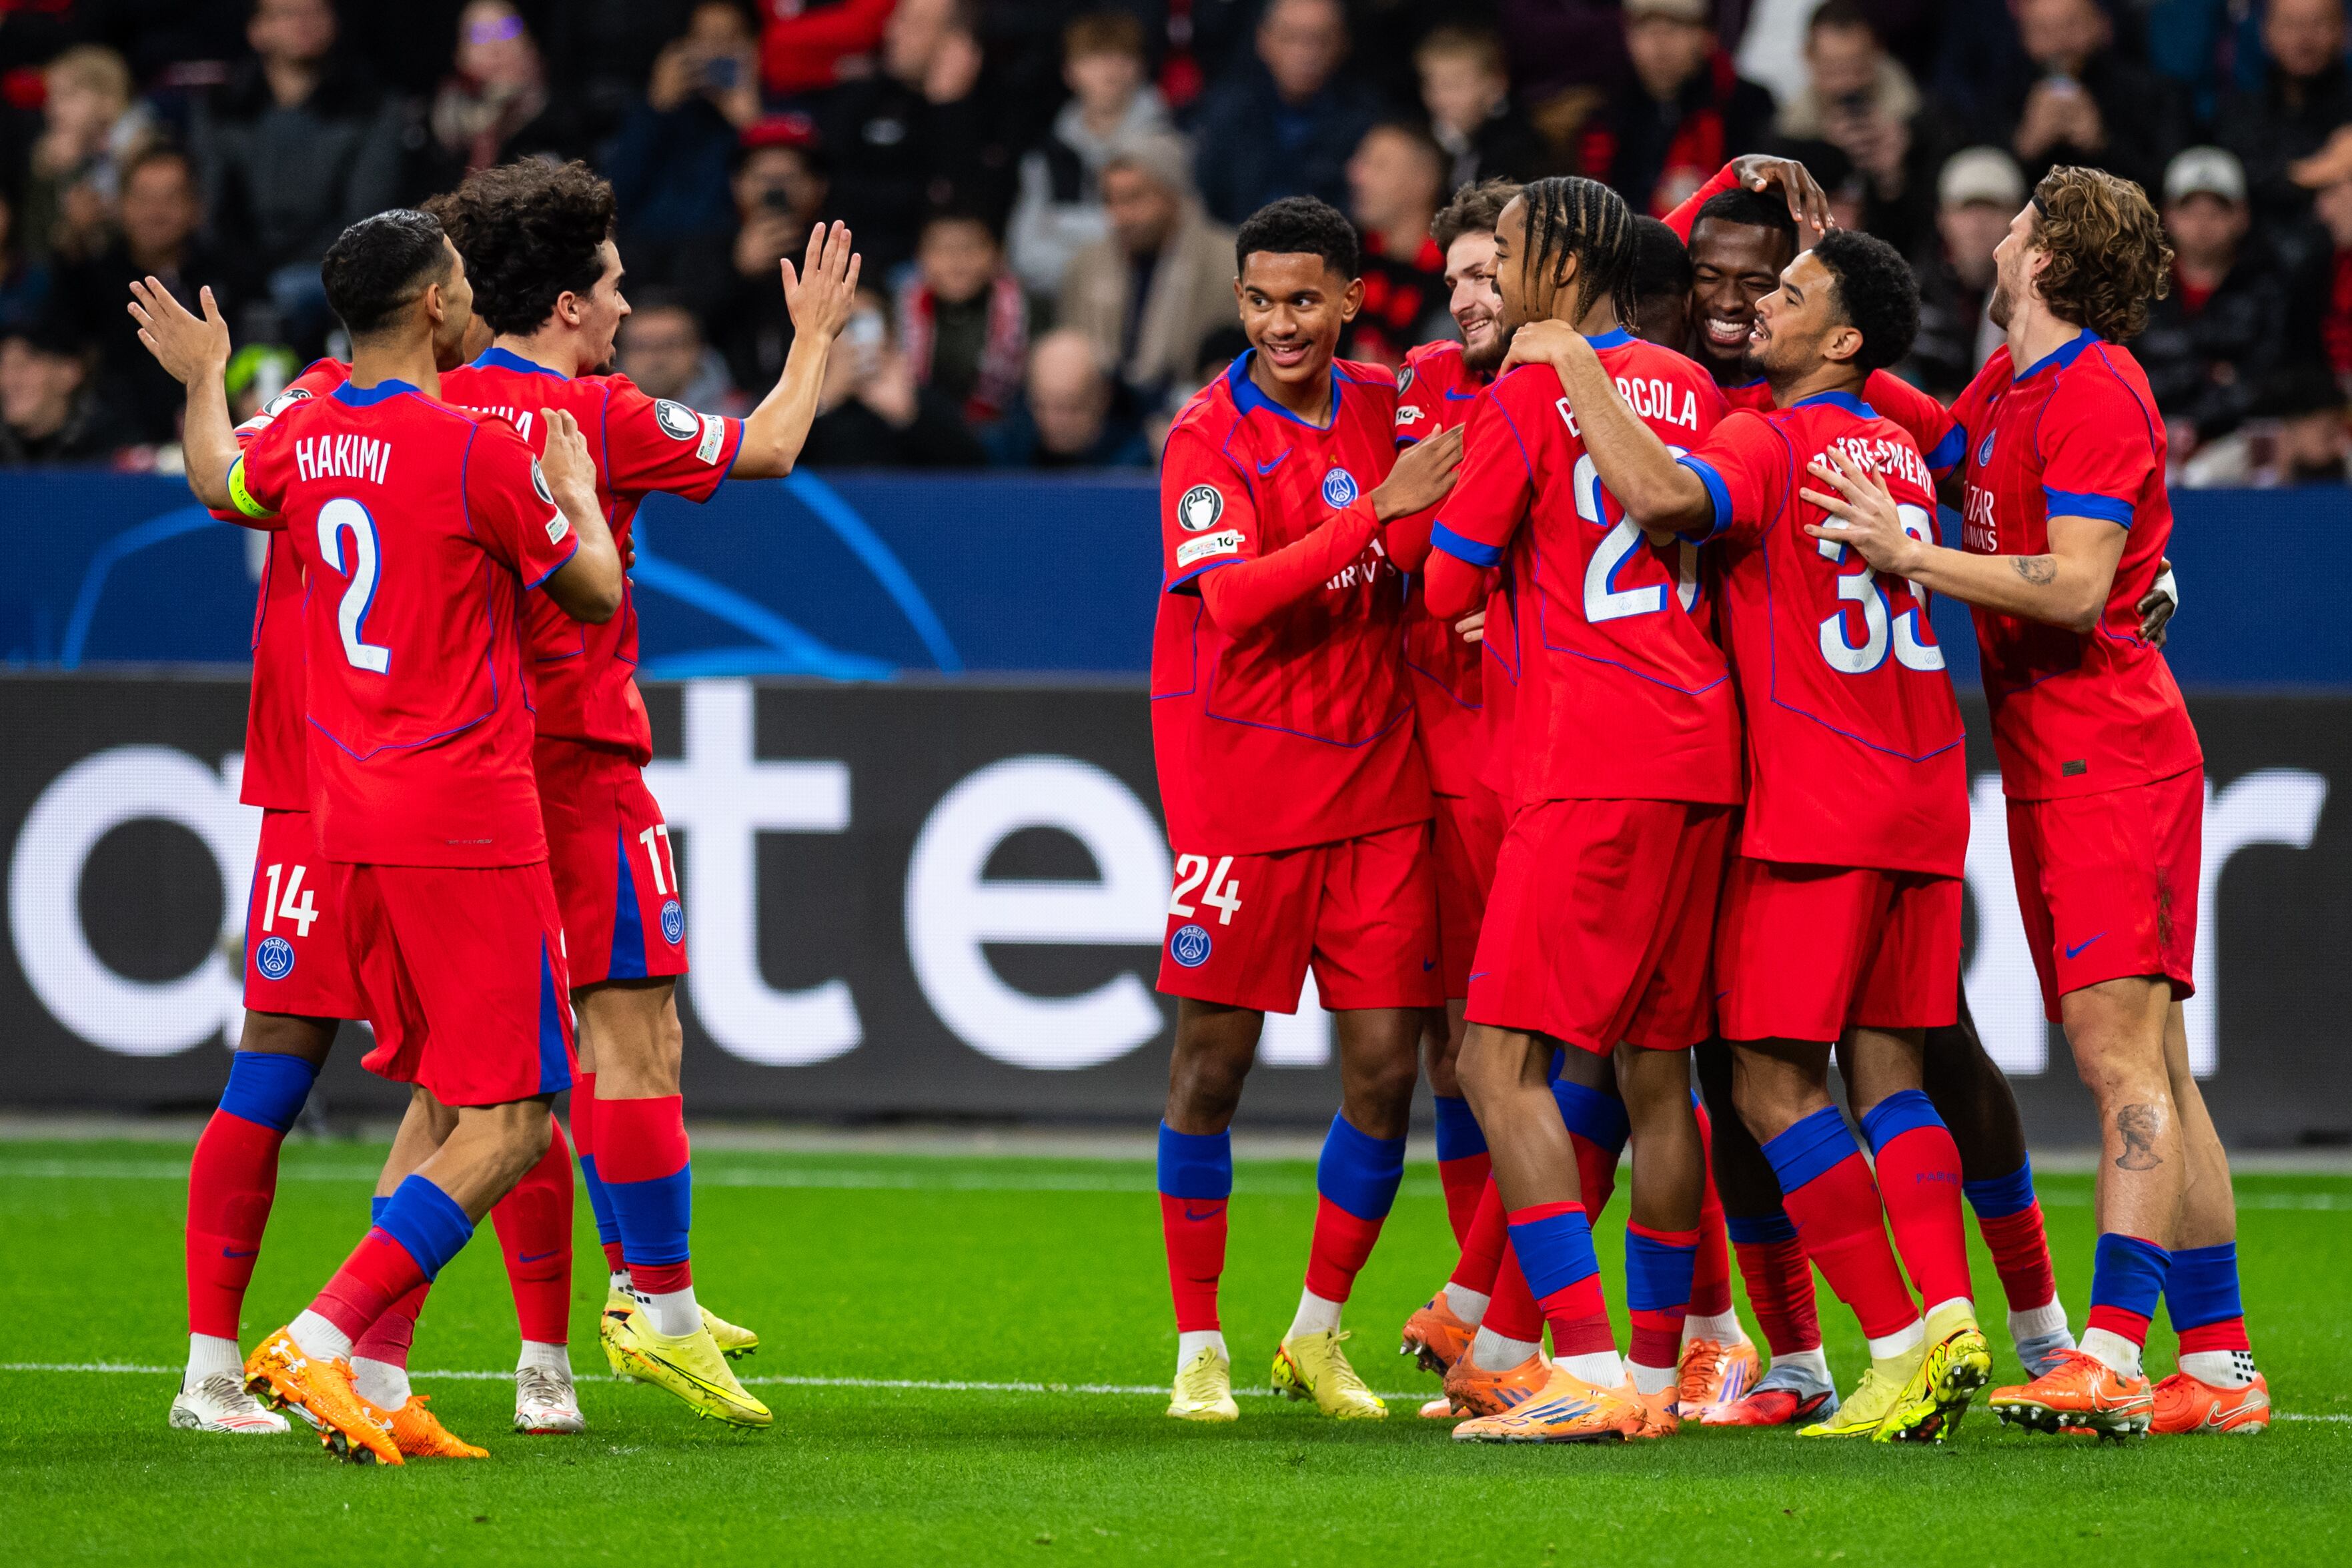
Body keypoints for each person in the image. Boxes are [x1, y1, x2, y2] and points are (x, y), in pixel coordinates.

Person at [145, 207, 624, 1465]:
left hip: (343, 817)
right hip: (466, 814)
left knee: (444, 1096)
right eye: (461, 279)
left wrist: (203, 383)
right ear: (430, 306)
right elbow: (590, 593)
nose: (473, 295)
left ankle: (373, 1367)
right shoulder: (473, 449)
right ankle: (323, 1331)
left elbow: (215, 479)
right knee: (517, 1115)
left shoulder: (302, 432)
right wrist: (577, 492)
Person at [1803, 164, 2270, 1438]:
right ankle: (2219, 1368)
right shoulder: (2012, 386)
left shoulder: (2100, 388)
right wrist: (1830, 282)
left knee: (2119, 1062)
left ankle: (2111, 1349)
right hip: (2060, 758)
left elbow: (2072, 586)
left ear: (2050, 260)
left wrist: (1909, 555)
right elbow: (1935, 441)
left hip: (2110, 757)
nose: (1997, 241)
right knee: (2163, 1069)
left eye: (2015, 227)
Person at [1507, 225, 1994, 1444]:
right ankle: (1949, 1318)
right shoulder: (1902, 448)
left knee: (1771, 1084)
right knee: (1887, 1075)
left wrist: (1574, 360)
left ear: (1838, 339)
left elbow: (1669, 500)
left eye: (1788, 292)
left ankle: (1902, 1342)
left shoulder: (1768, 438)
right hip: (1925, 784)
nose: (1756, 305)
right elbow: (1927, 406)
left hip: (1814, 796)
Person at [430, 158, 862, 1430]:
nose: (625, 311)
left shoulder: (441, 403)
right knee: (632, 1036)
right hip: (577, 761)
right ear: (566, 304)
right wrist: (816, 337)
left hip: (469, 764)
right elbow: (774, 444)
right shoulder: (594, 412)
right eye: (612, 289)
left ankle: (594, 1320)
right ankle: (657, 1315)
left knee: (519, 1073)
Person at [1418, 176, 1731, 1444]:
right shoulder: (1693, 388)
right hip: (1701, 751)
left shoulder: (1524, 392)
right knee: (1658, 1076)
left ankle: (1586, 1368)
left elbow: (1445, 586)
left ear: (1560, 262)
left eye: (1514, 254)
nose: (1500, 274)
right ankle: (1654, 1376)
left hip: (1588, 757)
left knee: (1496, 1060)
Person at [1151, 195, 1460, 1425]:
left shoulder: (1396, 405)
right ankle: (1196, 1343)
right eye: (1260, 300)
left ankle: (1314, 1333)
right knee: (1210, 1073)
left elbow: (1528, 313)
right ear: (1240, 302)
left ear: (1348, 301)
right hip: (1242, 800)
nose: (1282, 323)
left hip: (1383, 793)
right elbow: (1232, 605)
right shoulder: (1206, 435)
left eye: (1304, 300)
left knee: (1387, 1076)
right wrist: (1370, 513)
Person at [191, 0, 408, 352]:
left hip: (331, 273)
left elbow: (365, 217)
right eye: (288, 12)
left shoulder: (374, 107)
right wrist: (252, 275)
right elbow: (213, 214)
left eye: (316, 11)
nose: (304, 23)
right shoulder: (221, 108)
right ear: (257, 29)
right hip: (239, 276)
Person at [810, 0, 1008, 279]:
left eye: (914, 25)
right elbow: (833, 193)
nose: (892, 33)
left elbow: (968, 207)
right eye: (896, 20)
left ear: (956, 43)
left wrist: (948, 109)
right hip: (854, 269)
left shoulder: (991, 108)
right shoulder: (858, 97)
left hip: (939, 276)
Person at [59, 145, 235, 446]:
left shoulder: (228, 274)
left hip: (223, 434)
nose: (156, 213)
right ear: (121, 205)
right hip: (116, 446)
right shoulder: (93, 278)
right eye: (143, 199)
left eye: (170, 199)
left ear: (196, 207)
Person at [1057, 135, 1237, 412]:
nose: (1120, 216)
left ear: (1173, 195)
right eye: (1111, 200)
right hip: (1099, 419)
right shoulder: (1086, 266)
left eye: (1134, 198)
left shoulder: (1228, 264)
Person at [2139, 147, 2296, 458]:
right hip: (2146, 438)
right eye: (2190, 210)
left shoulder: (2269, 288)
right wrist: (2205, 373)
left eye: (2216, 212)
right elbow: (2125, 376)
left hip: (2238, 445)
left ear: (2241, 216)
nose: (2202, 225)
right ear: (2168, 216)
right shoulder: (2139, 288)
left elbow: (2270, 379)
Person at [1005, 11, 1173, 301]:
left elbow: (1165, 247)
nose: (1110, 70)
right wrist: (1106, 248)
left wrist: (1062, 224)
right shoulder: (1048, 153)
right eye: (1094, 58)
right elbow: (1026, 256)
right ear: (1070, 72)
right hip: (1065, 306)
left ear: (1140, 67)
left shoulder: (1169, 148)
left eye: (1123, 56)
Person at [604, 1, 767, 293]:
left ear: (754, 46)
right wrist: (656, 110)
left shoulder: (771, 115)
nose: (715, 52)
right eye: (703, 39)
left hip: (726, 261)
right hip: (645, 258)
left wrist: (749, 125)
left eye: (730, 40)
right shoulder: (653, 112)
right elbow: (615, 197)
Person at [1577, 0, 1776, 219]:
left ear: (1706, 36)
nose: (1660, 44)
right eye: (1646, 29)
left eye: (1675, 27)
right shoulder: (1607, 111)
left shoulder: (1743, 104)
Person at [1190, 0, 1381, 227]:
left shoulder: (1369, 121)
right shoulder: (1226, 112)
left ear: (1343, 43)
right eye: (1292, 38)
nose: (1307, 53)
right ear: (1263, 40)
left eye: (1321, 40)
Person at [1768, 0, 1932, 257]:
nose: (1847, 85)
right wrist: (1827, 153)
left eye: (1857, 69)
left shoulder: (1920, 121)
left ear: (1877, 53)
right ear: (1809, 58)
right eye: (1833, 71)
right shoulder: (1787, 134)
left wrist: (1892, 177)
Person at [1994, 0, 2183, 197]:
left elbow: (2171, 185)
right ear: (2024, 37)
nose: (2059, 43)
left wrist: (2103, 145)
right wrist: (2025, 147)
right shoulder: (2002, 94)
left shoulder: (2150, 93)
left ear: (2102, 25)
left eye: (2071, 25)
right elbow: (1977, 178)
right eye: (2043, 30)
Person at [699, 118, 831, 398]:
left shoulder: (836, 249)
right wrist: (739, 272)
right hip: (724, 408)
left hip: (819, 398)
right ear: (737, 184)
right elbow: (691, 329)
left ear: (818, 186)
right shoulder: (708, 248)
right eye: (763, 179)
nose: (775, 191)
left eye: (789, 178)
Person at [802, 288, 987, 467]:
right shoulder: (796, 399)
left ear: (889, 337)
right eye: (844, 325)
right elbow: (777, 464)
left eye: (866, 325)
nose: (854, 340)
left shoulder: (920, 400)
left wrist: (907, 416)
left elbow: (975, 471)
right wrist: (824, 401)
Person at [2212, 0, 2352, 230]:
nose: (2304, 40)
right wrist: (2327, 169)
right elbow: (2240, 176)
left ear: (2344, 31)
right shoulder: (2239, 112)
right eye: (2291, 25)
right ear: (2266, 32)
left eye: (2318, 24)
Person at [1904, 147, 2024, 403]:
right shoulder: (1912, 296)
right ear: (1942, 218)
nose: (1978, 224)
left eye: (1993, 209)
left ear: (2019, 219)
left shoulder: (2042, 298)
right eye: (1966, 208)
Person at [20, 44, 154, 269]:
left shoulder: (142, 146)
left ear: (108, 98)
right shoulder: (61, 152)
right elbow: (41, 243)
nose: (53, 109)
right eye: (51, 98)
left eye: (68, 96)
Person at [425, 1, 590, 183]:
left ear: (530, 46)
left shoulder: (563, 128)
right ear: (459, 56)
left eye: (508, 30)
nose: (495, 46)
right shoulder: (434, 139)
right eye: (479, 35)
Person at [896, 207, 1027, 428]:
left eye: (970, 248)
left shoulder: (1026, 310)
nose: (957, 263)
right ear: (920, 256)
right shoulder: (896, 310)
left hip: (1005, 436)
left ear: (998, 253)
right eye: (943, 249)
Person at [1342, 123, 1450, 369]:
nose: (1356, 175)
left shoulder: (1455, 278)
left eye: (1378, 166)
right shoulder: (1343, 256)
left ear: (1423, 182)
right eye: (1360, 162)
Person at [983, 327, 1148, 468]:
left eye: (1070, 408)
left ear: (1103, 398)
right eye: (1040, 406)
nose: (1053, 422)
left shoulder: (1137, 463)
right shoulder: (1004, 454)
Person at [1413, 26, 1550, 190]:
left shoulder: (1518, 153)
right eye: (1431, 85)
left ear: (1497, 84)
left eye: (1453, 85)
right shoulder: (1440, 141)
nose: (1439, 98)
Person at [2181, 361, 2352, 486]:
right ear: (2295, 424)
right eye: (2329, 433)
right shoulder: (2245, 452)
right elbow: (2191, 480)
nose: (2341, 445)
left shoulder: (2345, 461)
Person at [0, 317, 131, 464]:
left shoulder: (117, 455)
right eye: (2, 365)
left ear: (69, 372)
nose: (6, 380)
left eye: (22, 365)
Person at [617, 291, 742, 414]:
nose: (656, 357)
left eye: (670, 344)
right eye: (641, 346)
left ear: (697, 349)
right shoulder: (603, 419)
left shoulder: (741, 420)